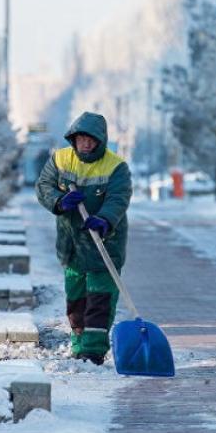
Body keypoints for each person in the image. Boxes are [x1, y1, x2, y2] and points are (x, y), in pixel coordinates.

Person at [35, 112, 133, 366]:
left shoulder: (116, 167)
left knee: (100, 300)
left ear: (101, 140)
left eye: (91, 140)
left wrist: (104, 219)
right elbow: (44, 186)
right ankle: (79, 346)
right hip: (72, 246)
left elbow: (119, 198)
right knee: (76, 300)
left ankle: (93, 351)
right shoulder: (60, 159)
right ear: (73, 139)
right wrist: (59, 200)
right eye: (81, 139)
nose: (86, 144)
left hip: (104, 244)